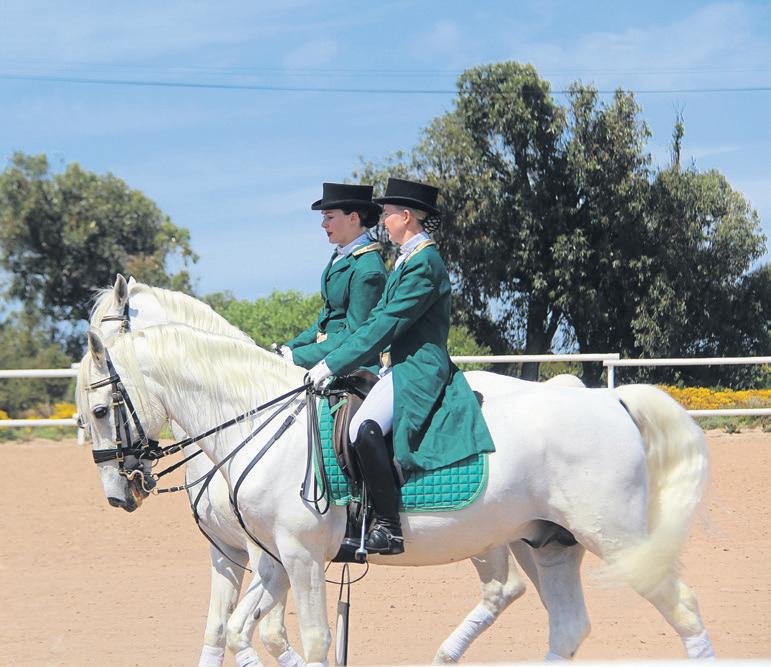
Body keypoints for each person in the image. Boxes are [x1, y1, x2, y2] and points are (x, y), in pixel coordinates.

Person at [308, 178, 495, 555]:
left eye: (389, 214)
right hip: (399, 364)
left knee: (363, 427)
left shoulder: (424, 262)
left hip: (420, 366)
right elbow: (376, 318)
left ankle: (389, 527)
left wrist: (331, 363)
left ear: (406, 216)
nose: (384, 221)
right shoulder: (408, 258)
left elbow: (387, 324)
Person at [279, 183, 386, 370]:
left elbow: (355, 332)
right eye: (324, 217)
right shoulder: (341, 256)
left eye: (329, 217)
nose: (324, 224)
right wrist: (290, 347)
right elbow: (326, 320)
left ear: (353, 217)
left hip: (352, 366)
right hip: (328, 355)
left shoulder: (368, 268)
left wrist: (298, 357)